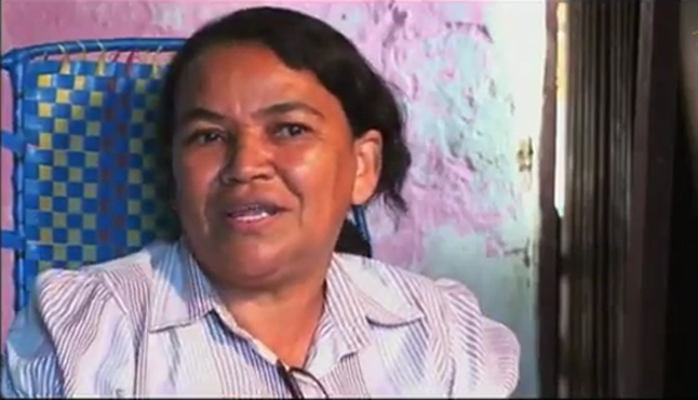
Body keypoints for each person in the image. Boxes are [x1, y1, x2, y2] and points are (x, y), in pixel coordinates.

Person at [1, 6, 519, 398]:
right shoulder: (83, 337)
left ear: (362, 166)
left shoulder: (441, 336)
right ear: (175, 176)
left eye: (290, 129)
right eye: (208, 136)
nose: (245, 165)